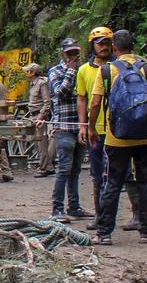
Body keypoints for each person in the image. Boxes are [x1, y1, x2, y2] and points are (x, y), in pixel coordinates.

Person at [88, 30, 147, 245]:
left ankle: (104, 234)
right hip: (146, 137)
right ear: (133, 46)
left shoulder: (107, 70)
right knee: (145, 183)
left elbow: (95, 103)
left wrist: (91, 128)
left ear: (114, 48)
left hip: (116, 137)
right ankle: (145, 232)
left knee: (112, 183)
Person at [48, 39, 89, 221]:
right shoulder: (55, 71)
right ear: (63, 54)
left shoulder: (84, 70)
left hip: (80, 126)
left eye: (75, 53)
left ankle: (74, 206)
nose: (73, 56)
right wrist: (71, 71)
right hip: (63, 126)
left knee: (76, 170)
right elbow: (60, 93)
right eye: (69, 53)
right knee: (63, 168)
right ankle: (57, 209)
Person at [76, 27, 116, 214]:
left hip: (118, 129)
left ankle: (133, 215)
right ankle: (100, 214)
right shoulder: (83, 70)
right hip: (95, 129)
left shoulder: (118, 67)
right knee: (97, 174)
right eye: (100, 43)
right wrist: (83, 126)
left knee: (122, 174)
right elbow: (82, 99)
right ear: (93, 45)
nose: (104, 47)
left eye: (107, 43)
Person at [23, 63, 54, 178]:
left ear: (32, 72)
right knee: (37, 143)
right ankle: (48, 166)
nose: (26, 73)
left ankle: (44, 168)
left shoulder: (41, 83)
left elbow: (47, 103)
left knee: (42, 144)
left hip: (38, 116)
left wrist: (41, 117)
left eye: (28, 71)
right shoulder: (32, 84)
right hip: (33, 115)